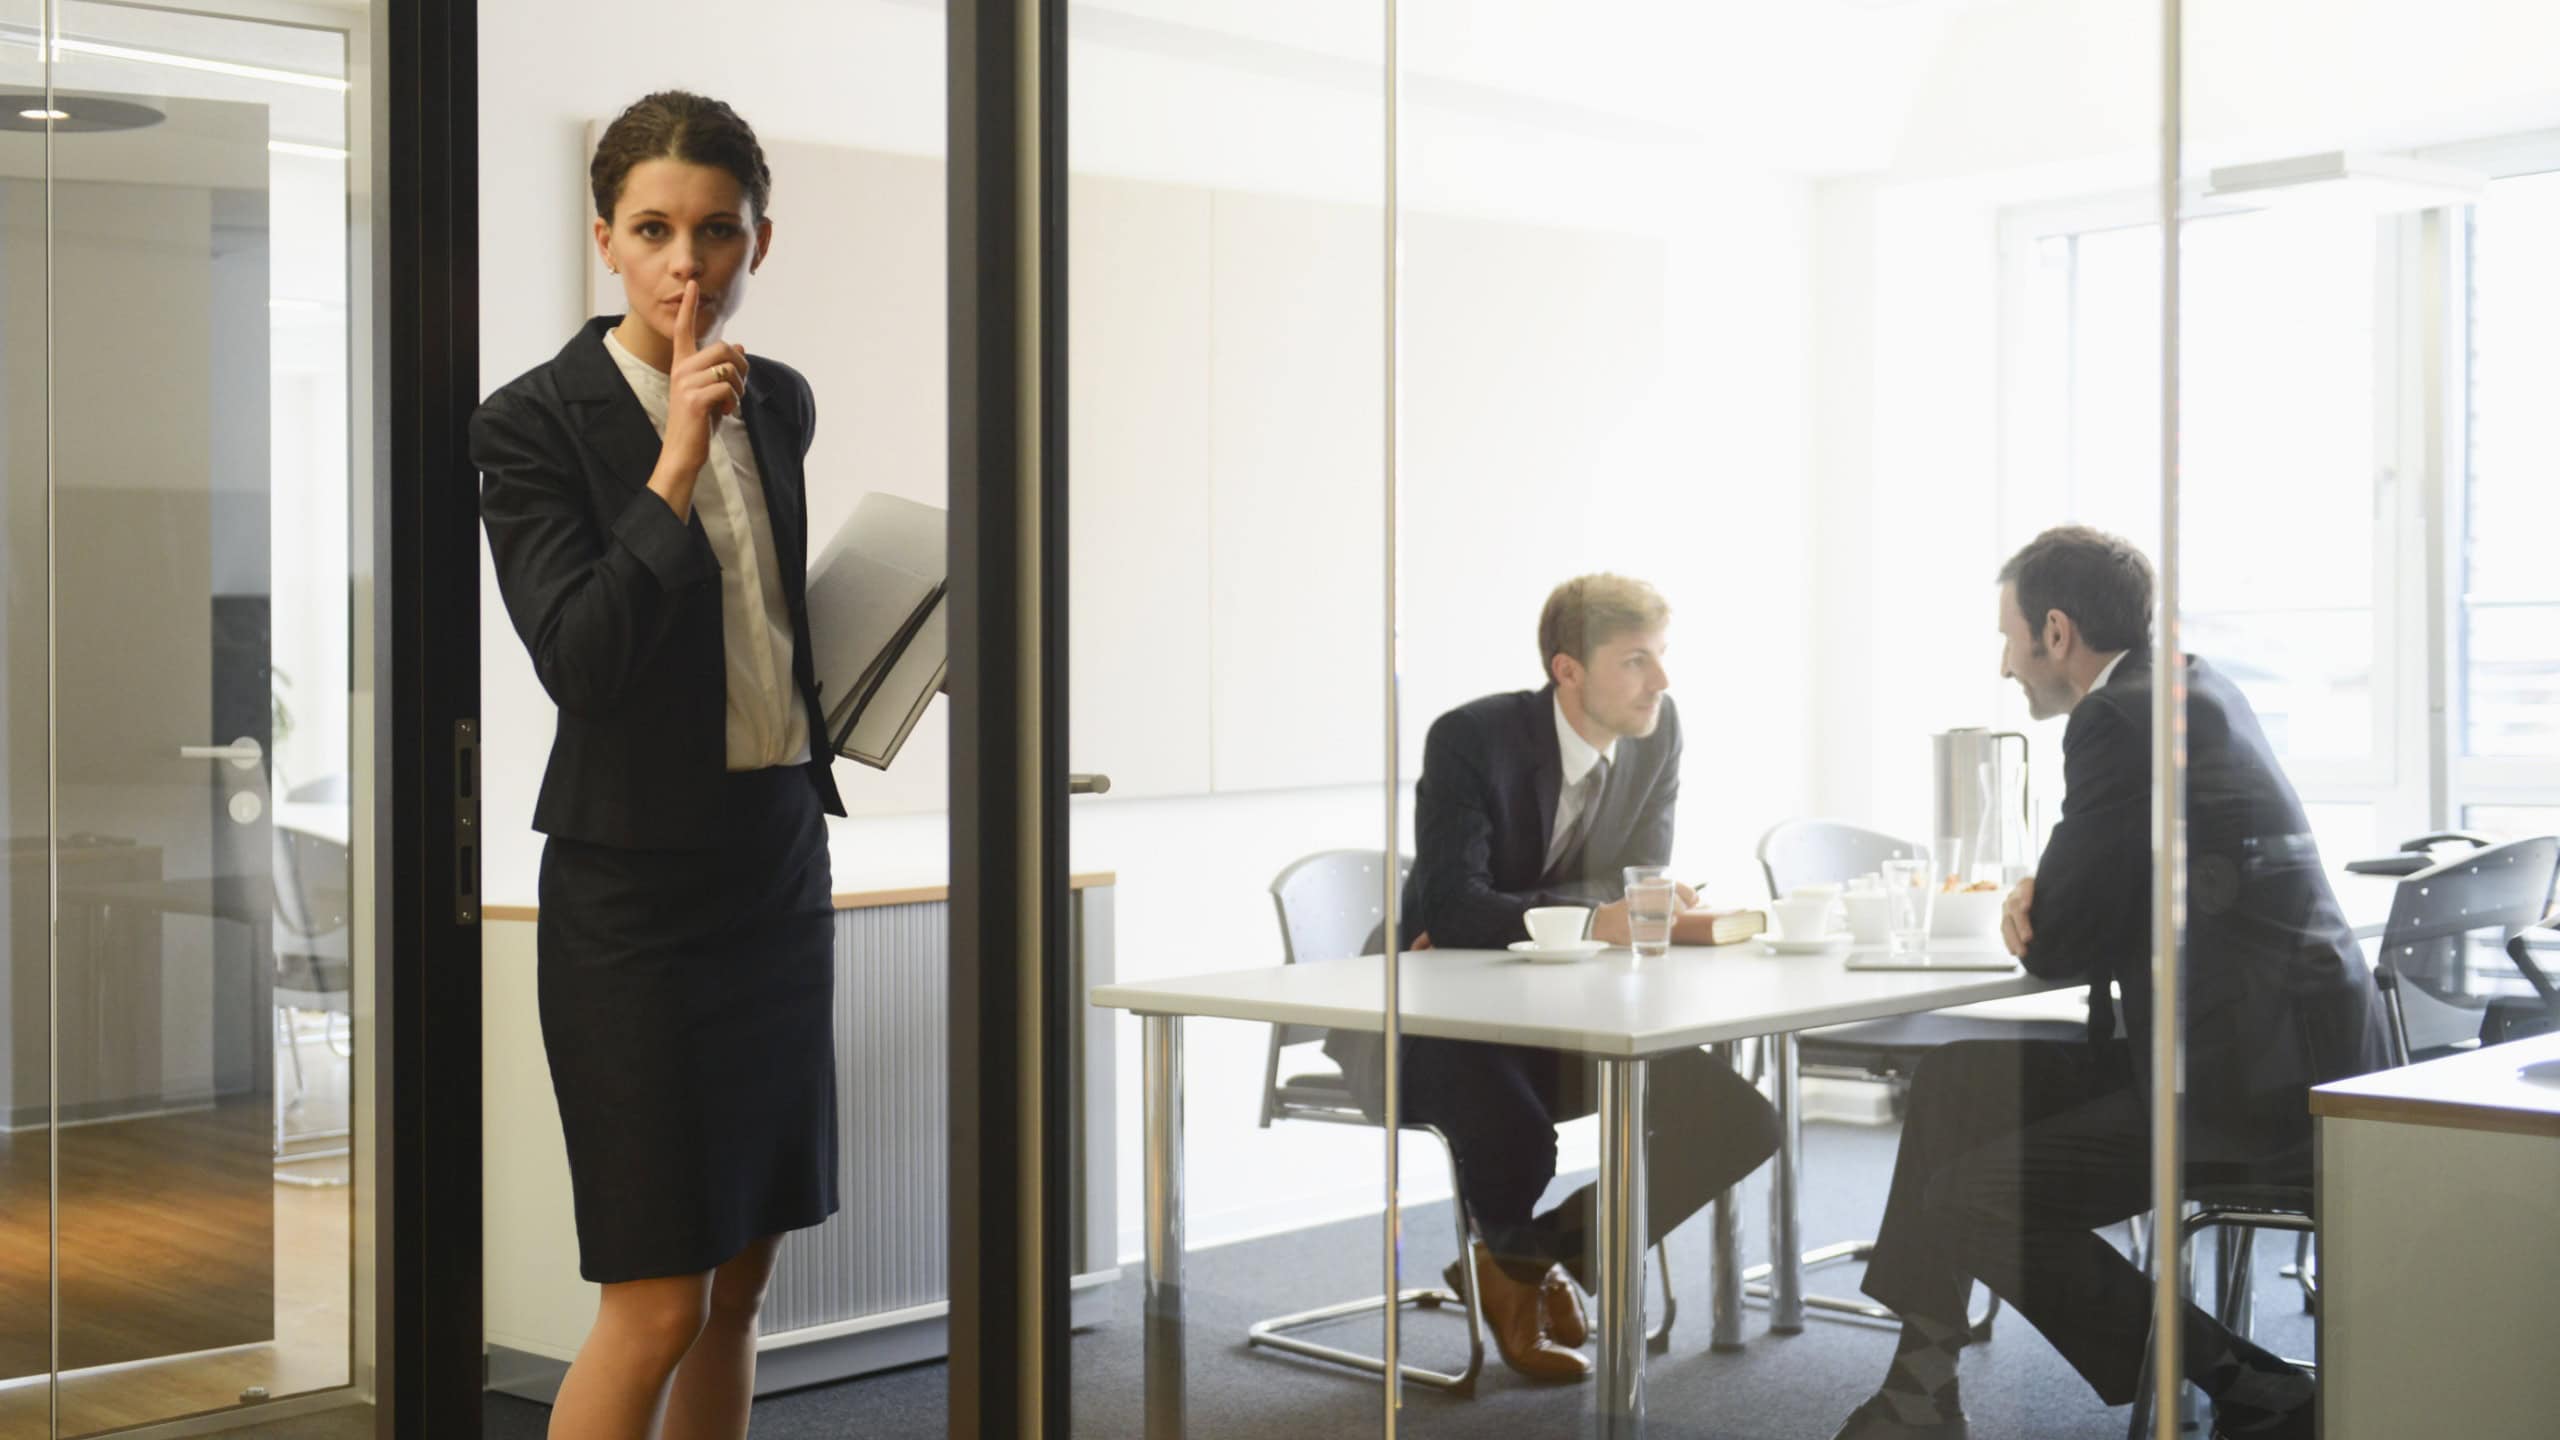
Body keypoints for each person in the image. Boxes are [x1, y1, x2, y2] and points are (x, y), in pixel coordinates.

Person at [1828, 527, 2393, 1440]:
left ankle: (2250, 1381)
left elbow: (2059, 942)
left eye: (2008, 637)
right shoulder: (2189, 684)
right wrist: (2047, 897)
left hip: (2241, 1089)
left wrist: (2034, 903)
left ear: (2056, 632)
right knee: (1954, 1085)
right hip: (2268, 1055)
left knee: (1976, 1195)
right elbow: (2112, 897)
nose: (2005, 666)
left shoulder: (2118, 717)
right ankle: (1920, 1387)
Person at [475, 92, 849, 1440]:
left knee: (743, 1283)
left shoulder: (783, 402)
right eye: (653, 229)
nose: (687, 260)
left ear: (758, 239)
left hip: (773, 870)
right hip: (631, 903)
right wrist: (676, 458)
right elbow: (581, 656)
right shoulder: (530, 425)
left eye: (716, 229)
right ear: (605, 241)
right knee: (653, 1302)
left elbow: (759, 630)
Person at [1325, 574, 1780, 1382]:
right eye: (1636, 661)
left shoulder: (1658, 729)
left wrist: (1590, 908)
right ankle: (1528, 1268)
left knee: (1738, 1121)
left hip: (1564, 1010)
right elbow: (1456, 912)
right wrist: (1595, 908)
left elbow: (1642, 878)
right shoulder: (1472, 738)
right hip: (1432, 1015)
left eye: (1662, 657)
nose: (1661, 683)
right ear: (1568, 671)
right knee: (1519, 1132)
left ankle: (1518, 1265)